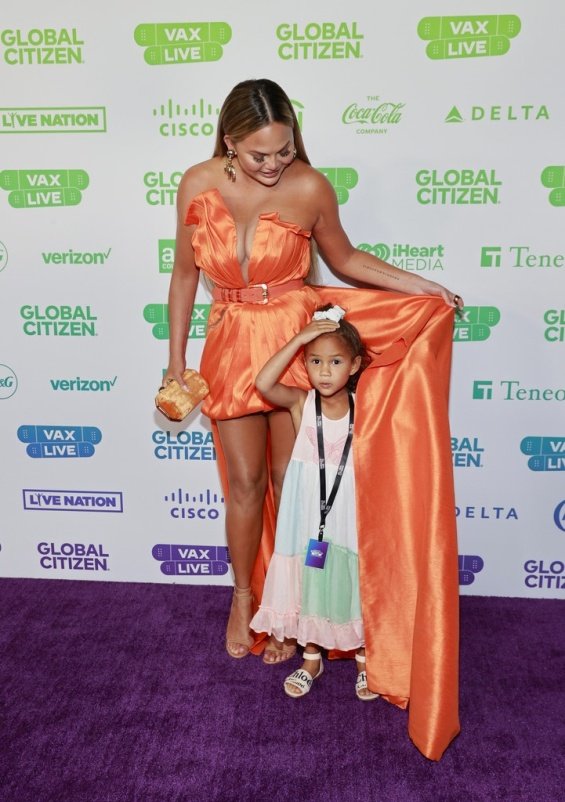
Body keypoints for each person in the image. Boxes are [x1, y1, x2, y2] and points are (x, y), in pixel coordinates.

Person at [165, 78, 461, 759]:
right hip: (229, 337)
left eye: (285, 149)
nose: (274, 165)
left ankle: (295, 610)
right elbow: (183, 275)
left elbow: (346, 260)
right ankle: (244, 598)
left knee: (288, 483)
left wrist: (423, 286)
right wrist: (176, 362)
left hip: (292, 337)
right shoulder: (195, 182)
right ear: (229, 141)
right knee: (240, 484)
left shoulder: (310, 187)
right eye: (260, 153)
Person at [250, 305, 378, 700]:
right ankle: (310, 657)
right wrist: (299, 338)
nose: (324, 371)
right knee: (309, 577)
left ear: (355, 365)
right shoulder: (301, 403)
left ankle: (362, 657)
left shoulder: (368, 405)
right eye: (315, 361)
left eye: (335, 361)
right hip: (306, 509)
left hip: (349, 508)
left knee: (350, 576)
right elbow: (263, 382)